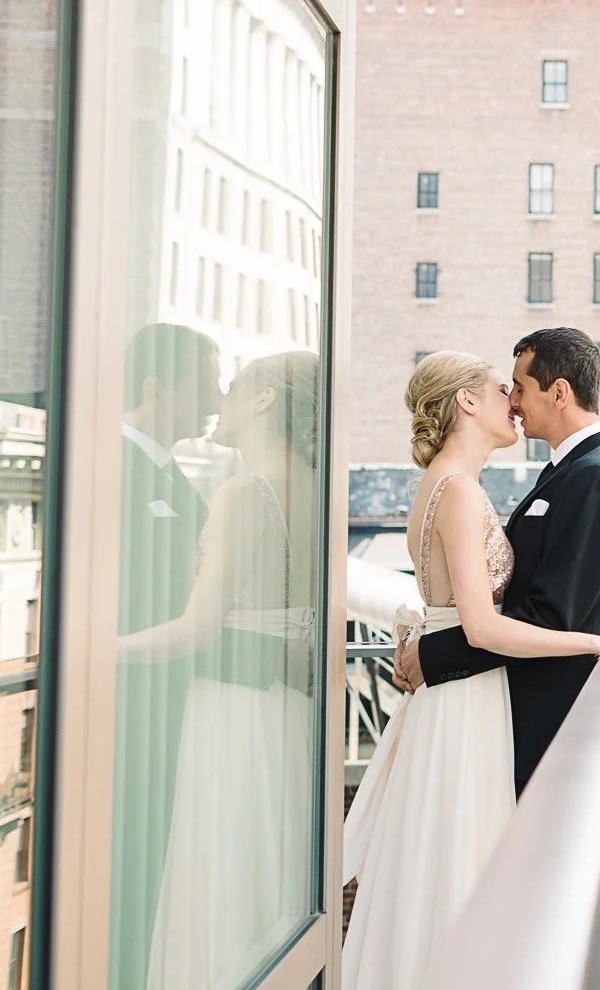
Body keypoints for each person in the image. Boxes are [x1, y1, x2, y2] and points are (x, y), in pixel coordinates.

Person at [341, 343, 600, 990]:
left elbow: (508, 608)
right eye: (500, 386)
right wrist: (598, 643)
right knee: (460, 865)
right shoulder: (459, 491)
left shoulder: (468, 485)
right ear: (466, 402)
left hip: (472, 695)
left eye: (519, 387)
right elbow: (482, 624)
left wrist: (595, 632)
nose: (512, 399)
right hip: (470, 698)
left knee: (455, 859)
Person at [120, 350, 322, 989]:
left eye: (233, 387)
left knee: (222, 868)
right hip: (289, 710)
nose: (219, 398)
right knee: (268, 873)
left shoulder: (244, 492)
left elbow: (197, 628)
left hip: (230, 714)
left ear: (264, 401)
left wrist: (90, 652)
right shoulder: (313, 492)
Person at [112, 322, 219, 990]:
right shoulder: (106, 469)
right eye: (203, 381)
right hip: (123, 711)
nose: (215, 394)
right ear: (157, 387)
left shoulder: (175, 478)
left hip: (170, 704)